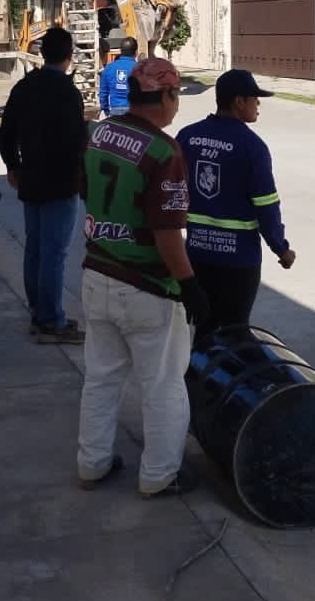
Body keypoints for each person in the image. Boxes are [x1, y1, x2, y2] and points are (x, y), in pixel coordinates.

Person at [75, 57, 213, 497]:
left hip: (97, 274)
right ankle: (159, 476)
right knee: (163, 385)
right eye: (177, 95)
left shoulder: (99, 133)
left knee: (101, 378)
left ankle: (92, 464)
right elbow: (167, 233)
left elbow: (85, 190)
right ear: (167, 95)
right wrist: (190, 285)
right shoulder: (163, 151)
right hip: (147, 288)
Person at [177, 70, 295, 336]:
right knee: (235, 333)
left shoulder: (187, 137)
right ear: (239, 102)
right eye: (255, 98)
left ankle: (199, 363)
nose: (258, 104)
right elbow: (266, 206)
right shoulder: (252, 146)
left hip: (196, 256)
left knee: (202, 331)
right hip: (238, 262)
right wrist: (281, 249)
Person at [0, 28, 87, 345]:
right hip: (61, 181)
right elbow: (78, 140)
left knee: (35, 249)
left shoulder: (24, 87)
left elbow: (6, 131)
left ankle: (39, 312)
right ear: (69, 56)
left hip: (31, 178)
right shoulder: (68, 92)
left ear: (41, 54)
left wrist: (12, 165)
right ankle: (52, 321)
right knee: (54, 253)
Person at [100, 37, 138, 118]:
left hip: (115, 111)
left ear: (121, 51)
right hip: (134, 111)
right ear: (136, 52)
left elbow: (103, 92)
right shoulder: (139, 69)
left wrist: (106, 110)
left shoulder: (109, 68)